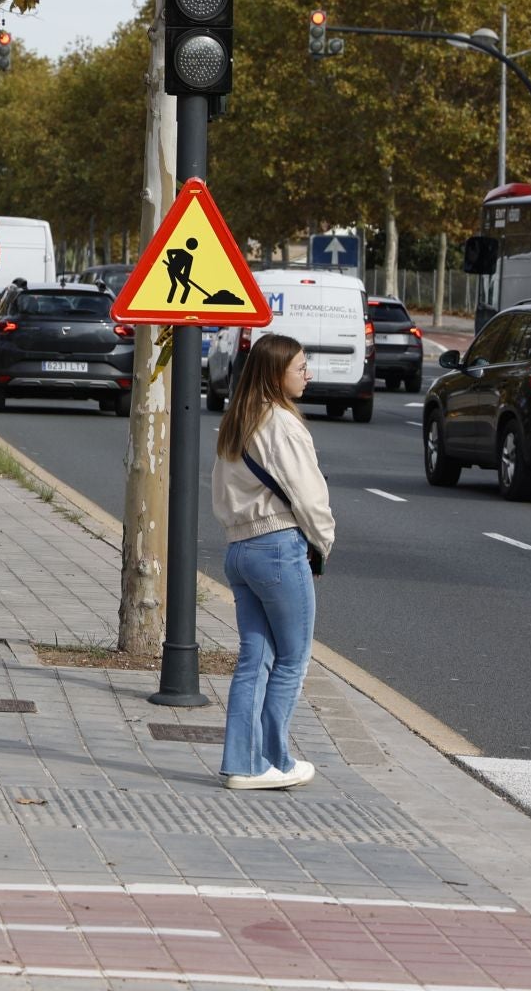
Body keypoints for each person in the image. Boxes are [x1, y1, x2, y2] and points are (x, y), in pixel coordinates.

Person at [210, 333, 334, 791]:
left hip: (239, 550)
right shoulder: (282, 425)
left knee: (254, 659)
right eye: (301, 367)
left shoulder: (236, 421)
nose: (308, 374)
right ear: (276, 374)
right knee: (293, 660)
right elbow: (308, 494)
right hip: (279, 547)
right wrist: (323, 542)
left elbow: (221, 492)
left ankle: (242, 764)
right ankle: (272, 760)